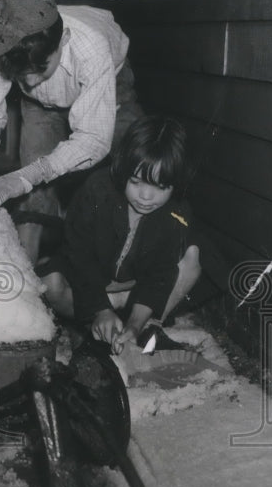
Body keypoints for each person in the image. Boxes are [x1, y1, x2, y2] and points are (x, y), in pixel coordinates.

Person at [0, 0, 143, 266]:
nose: (31, 82)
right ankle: (26, 273)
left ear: (64, 40)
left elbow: (94, 139)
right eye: (21, 74)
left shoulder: (92, 48)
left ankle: (123, 259)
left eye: (40, 69)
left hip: (110, 87)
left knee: (134, 163)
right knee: (32, 184)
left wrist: (33, 173)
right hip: (41, 105)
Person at [39, 115, 202, 353]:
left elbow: (159, 275)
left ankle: (146, 326)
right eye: (136, 182)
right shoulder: (96, 189)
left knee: (192, 255)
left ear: (176, 183)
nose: (146, 196)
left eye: (160, 187)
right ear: (124, 170)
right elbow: (79, 255)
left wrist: (134, 325)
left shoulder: (176, 212)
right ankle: (95, 325)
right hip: (93, 283)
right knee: (49, 284)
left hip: (134, 288)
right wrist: (100, 309)